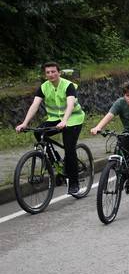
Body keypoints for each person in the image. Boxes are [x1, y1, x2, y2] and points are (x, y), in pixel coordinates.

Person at [16, 62, 86, 195]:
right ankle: (57, 163)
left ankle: (74, 183)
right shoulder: (44, 87)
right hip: (54, 119)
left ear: (59, 72)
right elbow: (34, 106)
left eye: (53, 71)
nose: (51, 74)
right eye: (48, 72)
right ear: (45, 74)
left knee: (69, 149)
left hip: (73, 119)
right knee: (38, 133)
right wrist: (24, 123)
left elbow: (70, 104)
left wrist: (65, 120)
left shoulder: (68, 85)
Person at [90, 81, 129, 195]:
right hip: (128, 132)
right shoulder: (120, 103)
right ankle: (126, 175)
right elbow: (110, 115)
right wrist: (98, 127)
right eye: (127, 95)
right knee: (119, 153)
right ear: (124, 95)